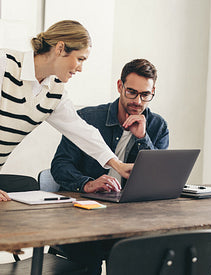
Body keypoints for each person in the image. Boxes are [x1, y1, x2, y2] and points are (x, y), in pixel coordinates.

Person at [0, 20, 132, 275]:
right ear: (60, 48)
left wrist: (116, 164)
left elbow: (81, 130)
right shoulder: (0, 64)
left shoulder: (54, 90)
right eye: (80, 59)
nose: (80, 68)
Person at [50, 58, 169, 274]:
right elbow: (60, 165)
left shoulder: (157, 125)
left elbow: (158, 179)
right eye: (132, 92)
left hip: (131, 217)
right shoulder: (87, 118)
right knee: (90, 255)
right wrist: (86, 184)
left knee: (160, 249)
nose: (138, 101)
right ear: (120, 86)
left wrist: (143, 139)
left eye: (145, 95)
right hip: (85, 217)